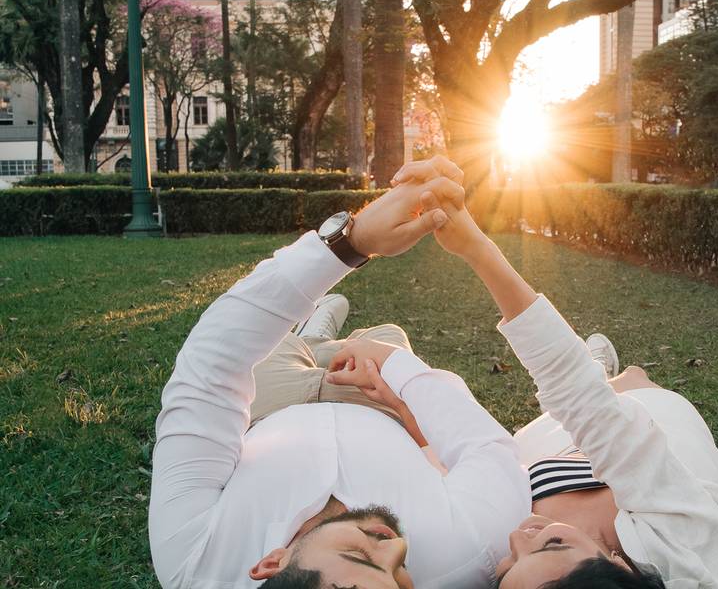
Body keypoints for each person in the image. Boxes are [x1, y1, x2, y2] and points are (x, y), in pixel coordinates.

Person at [400, 170, 718, 589]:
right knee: (624, 385)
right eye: (551, 545)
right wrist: (475, 247)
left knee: (525, 433)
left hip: (549, 453)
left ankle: (599, 371)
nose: (516, 537)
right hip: (661, 429)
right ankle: (606, 371)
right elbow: (574, 388)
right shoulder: (684, 546)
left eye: (506, 568)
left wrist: (404, 406)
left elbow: (454, 467)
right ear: (617, 565)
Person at [148, 157, 531, 589]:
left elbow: (213, 362)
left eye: (360, 555)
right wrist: (393, 367)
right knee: (387, 333)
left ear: (272, 563)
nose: (396, 549)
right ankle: (334, 331)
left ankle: (314, 330)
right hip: (383, 404)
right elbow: (488, 447)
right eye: (401, 579)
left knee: (282, 346)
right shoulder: (467, 558)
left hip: (266, 406)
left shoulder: (194, 565)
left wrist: (353, 241)